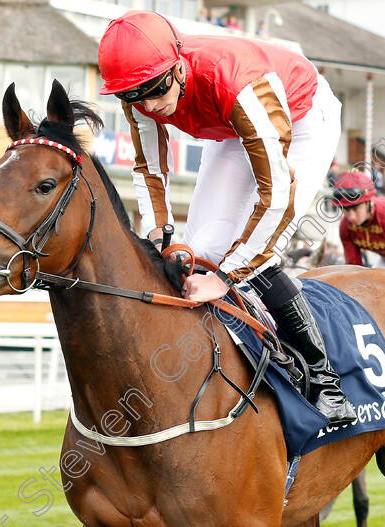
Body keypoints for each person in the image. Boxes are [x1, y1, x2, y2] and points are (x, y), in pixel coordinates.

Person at [97, 11, 355, 425]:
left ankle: (327, 384)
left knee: (248, 254)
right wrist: (161, 235)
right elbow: (149, 170)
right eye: (132, 96)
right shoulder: (141, 87)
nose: (149, 104)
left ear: (178, 64)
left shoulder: (238, 81)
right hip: (229, 128)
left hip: (300, 117)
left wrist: (227, 276)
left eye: (155, 89)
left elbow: (277, 196)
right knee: (198, 250)